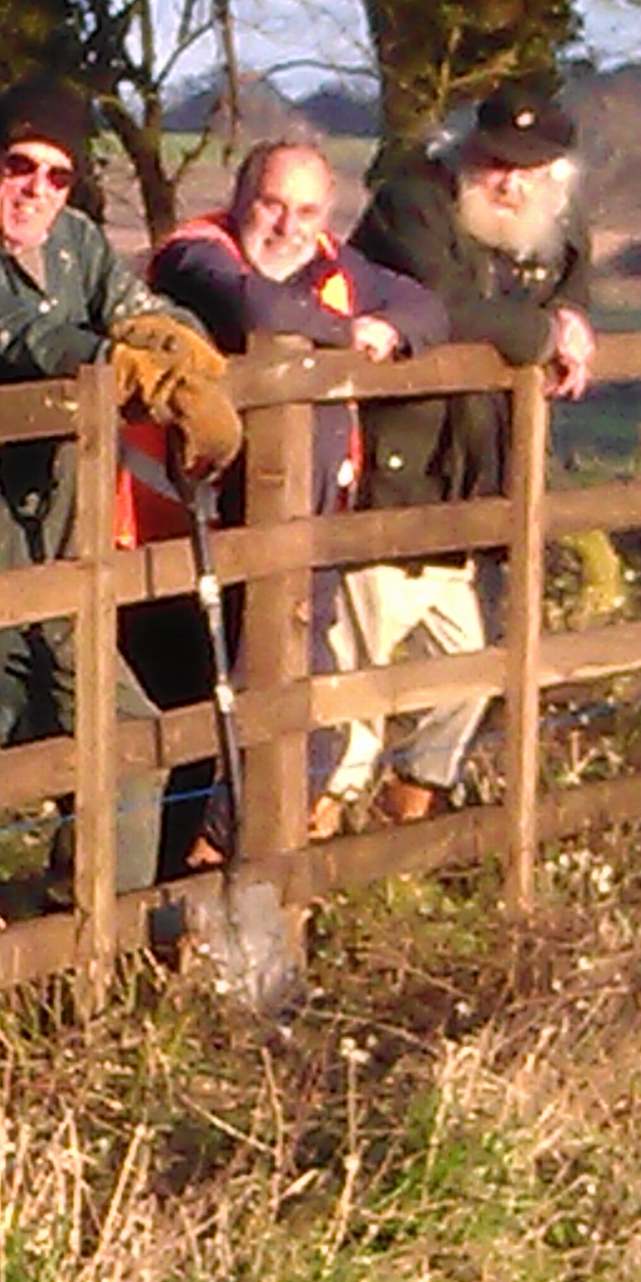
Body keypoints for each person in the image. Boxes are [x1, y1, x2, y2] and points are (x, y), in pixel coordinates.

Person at [0, 75, 241, 936]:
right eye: (19, 165)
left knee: (127, 744)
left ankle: (86, 938)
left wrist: (182, 354)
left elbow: (147, 310)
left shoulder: (77, 244)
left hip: (60, 559)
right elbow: (16, 334)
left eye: (58, 174)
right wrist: (134, 372)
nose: (37, 189)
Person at [136, 141, 449, 856]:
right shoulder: (196, 253)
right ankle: (196, 875)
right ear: (241, 197)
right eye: (272, 204)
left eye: (307, 210)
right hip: (185, 533)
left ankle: (254, 869)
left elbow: (428, 307)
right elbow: (252, 305)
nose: (287, 226)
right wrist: (348, 336)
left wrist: (393, 330)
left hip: (309, 532)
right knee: (195, 723)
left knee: (303, 712)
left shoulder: (339, 265)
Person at [338, 85, 597, 825]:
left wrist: (573, 311)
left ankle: (400, 841)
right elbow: (444, 308)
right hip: (388, 477)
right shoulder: (412, 205)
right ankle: (313, 865)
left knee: (466, 682)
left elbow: (572, 271)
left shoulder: (549, 219)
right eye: (493, 163)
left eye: (529, 169)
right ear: (466, 152)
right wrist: (547, 336)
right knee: (350, 701)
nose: (509, 183)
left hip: (466, 490)